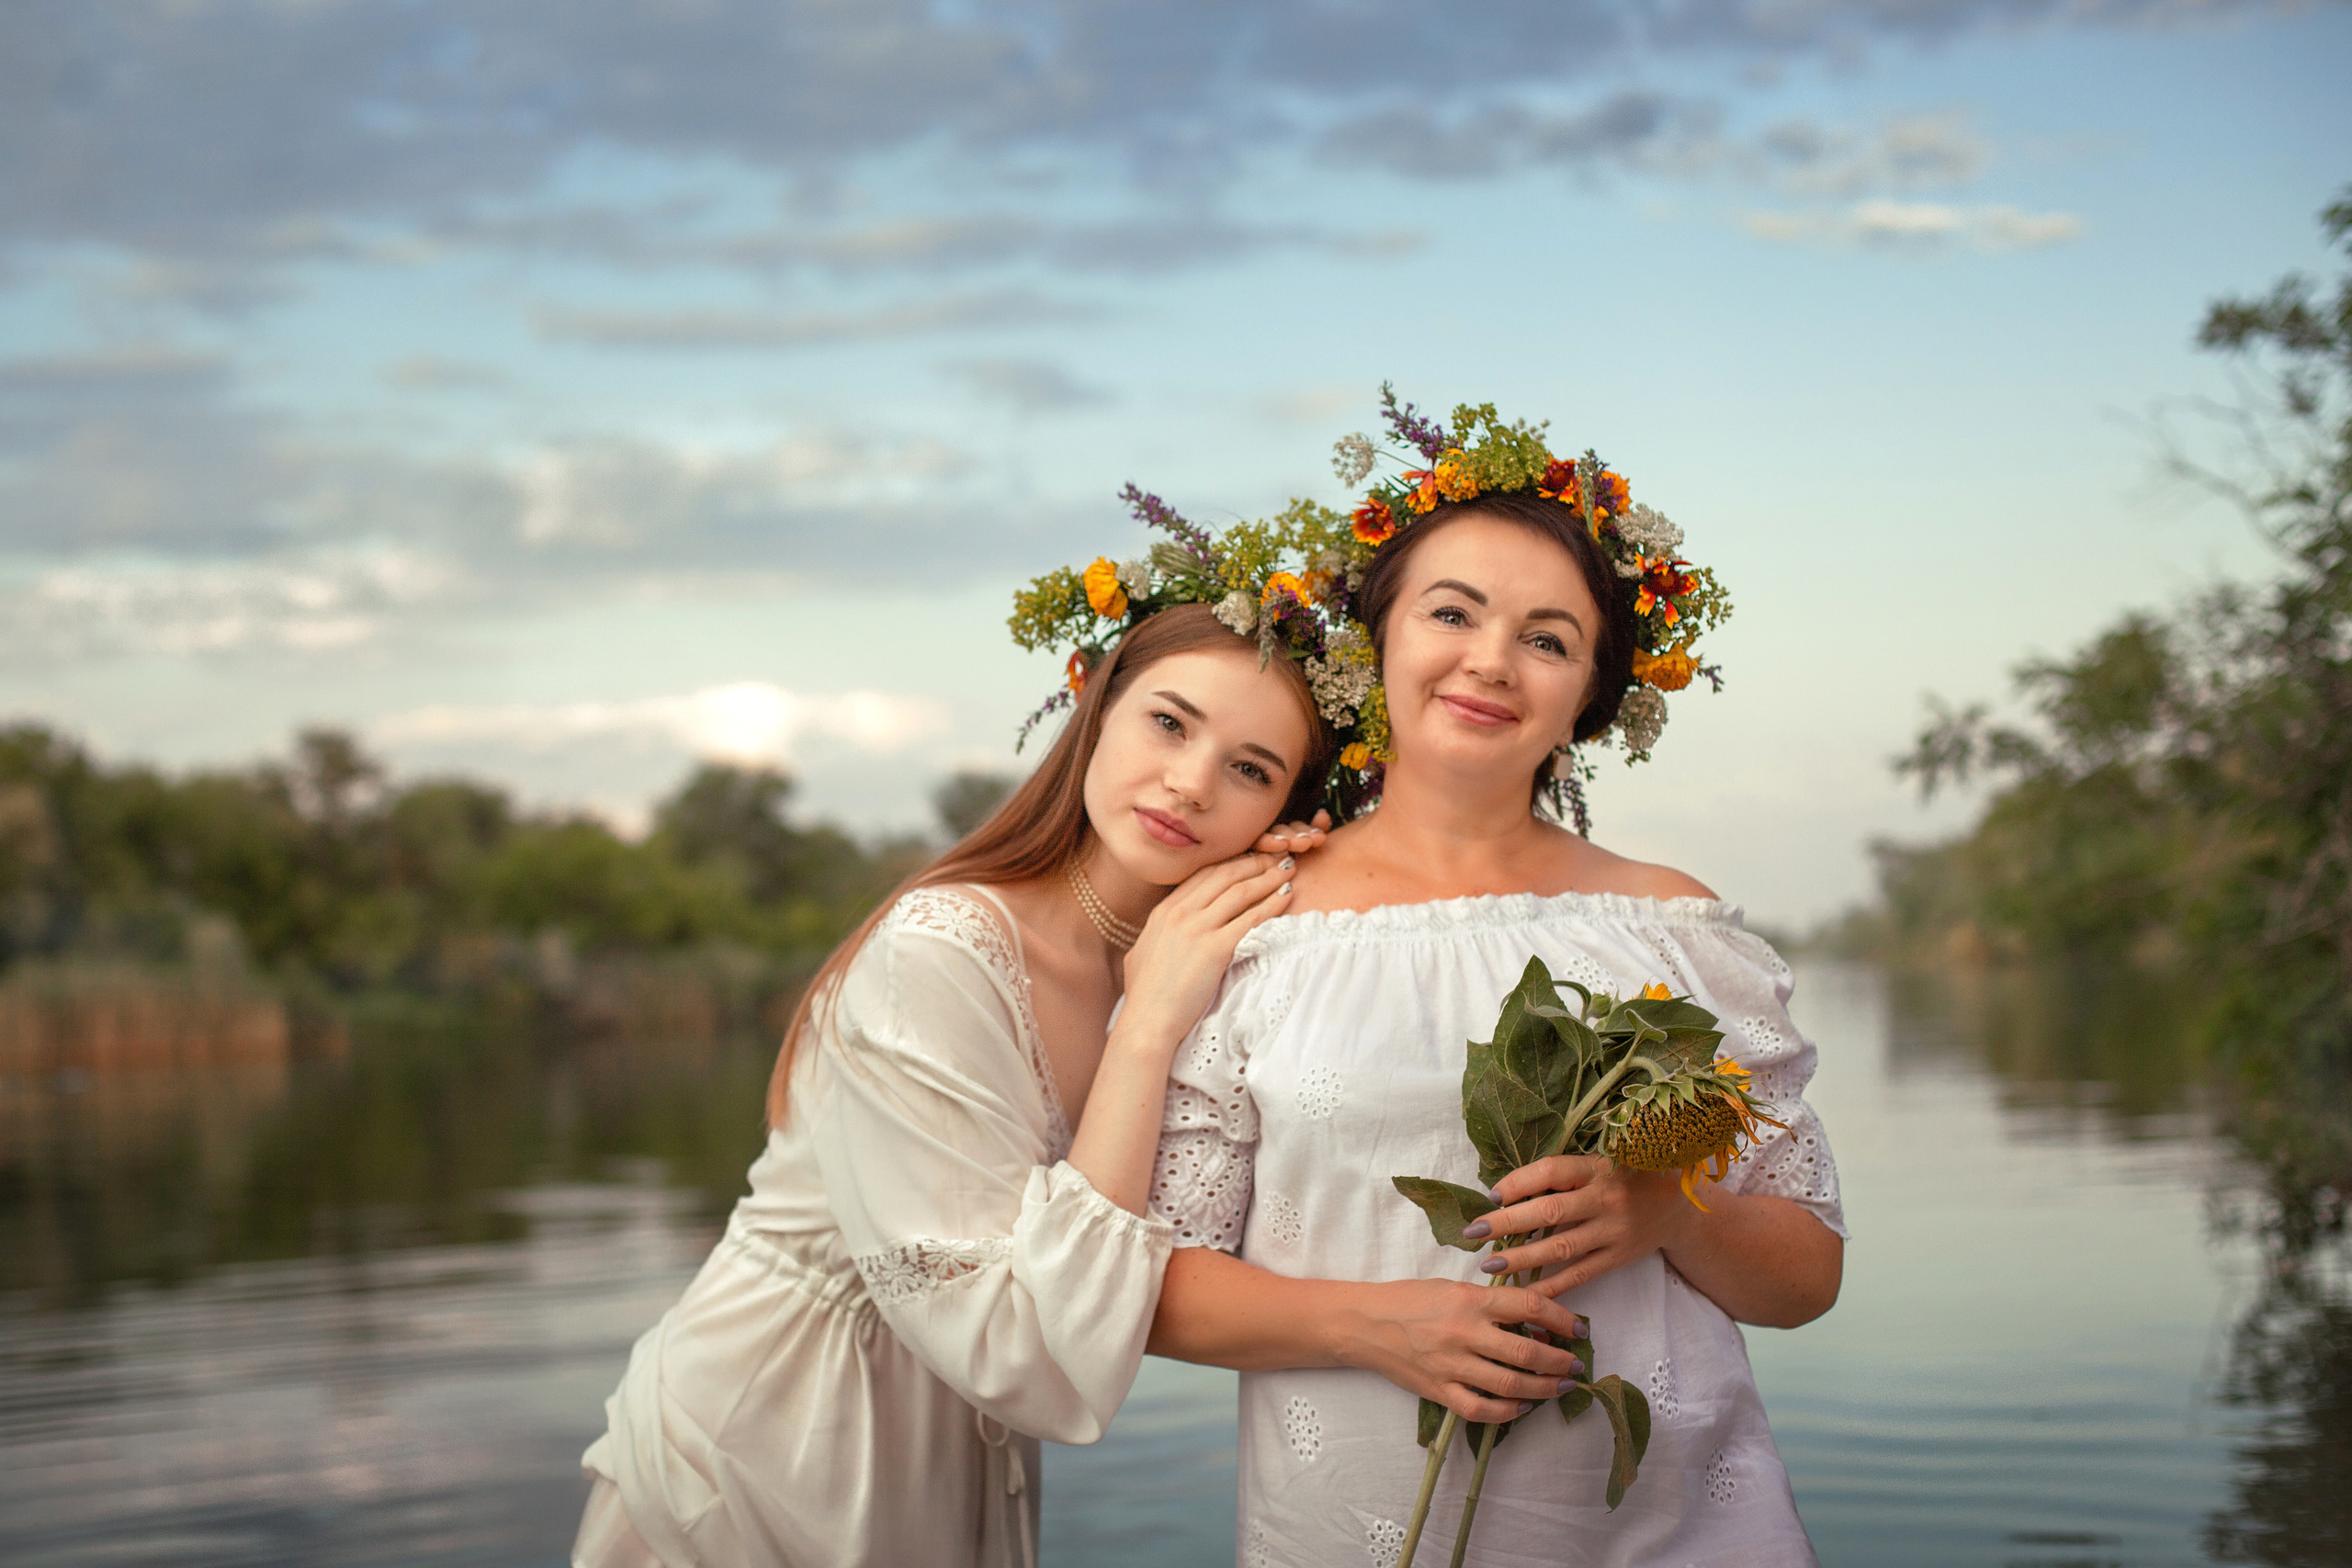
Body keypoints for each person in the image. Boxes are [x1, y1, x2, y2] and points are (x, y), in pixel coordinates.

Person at [1134, 398, 1848, 1564]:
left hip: (1677, 1533)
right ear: (1378, 638)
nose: (1490, 662)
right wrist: (1379, 1330)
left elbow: (1804, 1278)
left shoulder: (1671, 928)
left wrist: (1668, 1208)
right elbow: (1147, 1286)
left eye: (1548, 638)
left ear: (1589, 698)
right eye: (1451, 612)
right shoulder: (1252, 918)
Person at [572, 602, 1334, 1568]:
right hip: (763, 1447)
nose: (1189, 784)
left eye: (1251, 769)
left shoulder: (1190, 965)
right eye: (1169, 723)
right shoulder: (942, 950)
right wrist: (1146, 1026)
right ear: (1096, 711)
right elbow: (1026, 1348)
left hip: (950, 1451)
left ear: (1286, 814)